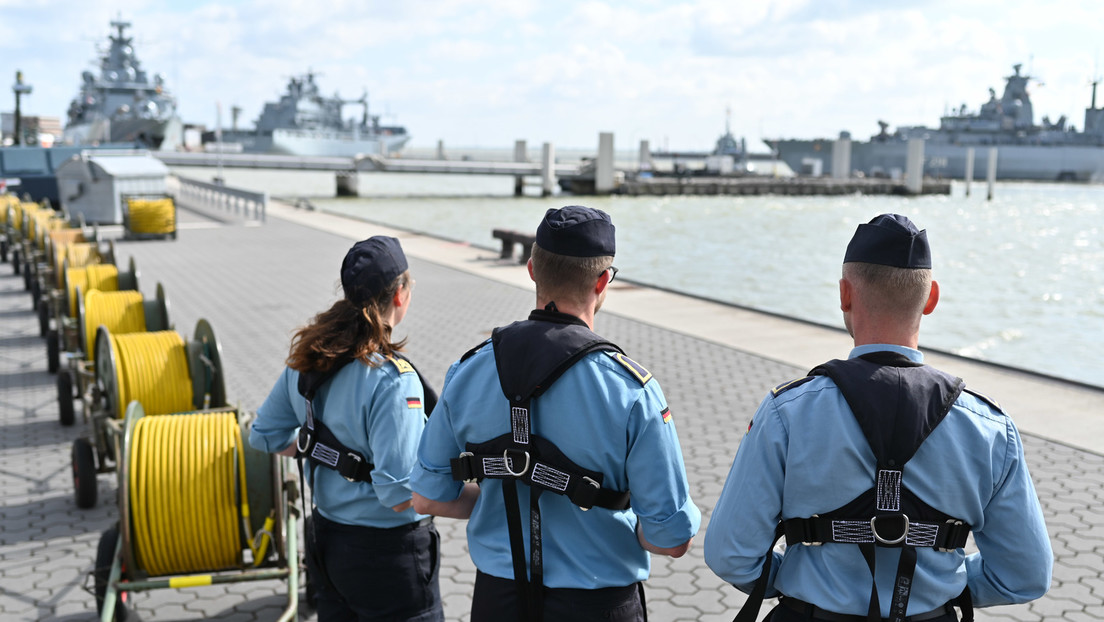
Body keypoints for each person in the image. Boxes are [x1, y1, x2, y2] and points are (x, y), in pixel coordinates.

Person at [704, 214, 1053, 622]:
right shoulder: (989, 429)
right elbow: (1024, 574)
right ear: (931, 298)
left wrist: (795, 577)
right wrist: (947, 587)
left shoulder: (787, 413)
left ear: (845, 295)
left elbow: (731, 555)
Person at [410, 205, 701, 622]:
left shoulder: (470, 371)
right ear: (603, 281)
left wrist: (499, 490)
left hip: (497, 600)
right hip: (598, 605)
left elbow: (426, 496)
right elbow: (672, 539)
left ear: (532, 269)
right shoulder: (630, 390)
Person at [249, 236, 444, 622]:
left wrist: (316, 448)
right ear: (400, 296)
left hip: (328, 543)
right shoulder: (392, 380)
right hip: (389, 558)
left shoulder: (306, 360)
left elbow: (265, 435)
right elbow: (398, 494)